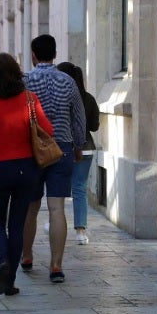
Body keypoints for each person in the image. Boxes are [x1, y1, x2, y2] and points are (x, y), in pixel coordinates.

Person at [0, 54, 53, 295]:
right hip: (26, 168)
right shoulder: (30, 99)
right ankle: (9, 281)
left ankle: (2, 262)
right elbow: (47, 129)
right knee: (17, 225)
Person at [21, 35, 86, 284]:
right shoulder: (68, 81)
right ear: (55, 54)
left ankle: (26, 255)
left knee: (31, 207)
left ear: (33, 55)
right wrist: (78, 145)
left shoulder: (25, 81)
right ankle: (56, 265)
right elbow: (78, 118)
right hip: (62, 148)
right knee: (57, 208)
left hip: (32, 150)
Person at [57, 62, 100, 245]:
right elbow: (94, 126)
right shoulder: (88, 98)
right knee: (80, 189)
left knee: (57, 187)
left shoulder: (60, 97)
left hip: (63, 146)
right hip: (86, 146)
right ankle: (81, 231)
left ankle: (54, 223)